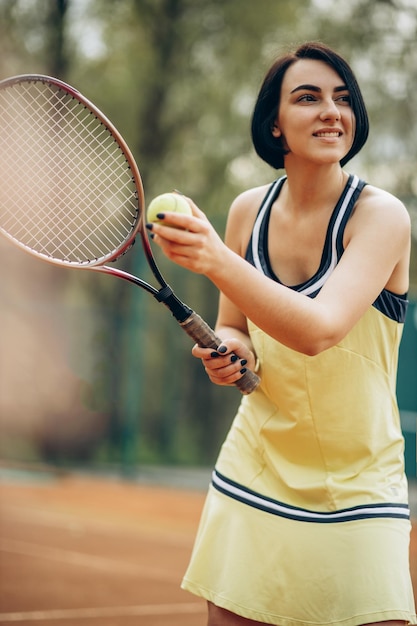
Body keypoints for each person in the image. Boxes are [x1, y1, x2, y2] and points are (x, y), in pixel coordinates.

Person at [147, 42, 416, 626]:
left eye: (342, 99)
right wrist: (231, 354)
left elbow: (320, 331)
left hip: (360, 481)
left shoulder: (382, 216)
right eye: (308, 97)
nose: (331, 111)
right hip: (258, 464)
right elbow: (234, 327)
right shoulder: (248, 210)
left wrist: (216, 259)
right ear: (275, 123)